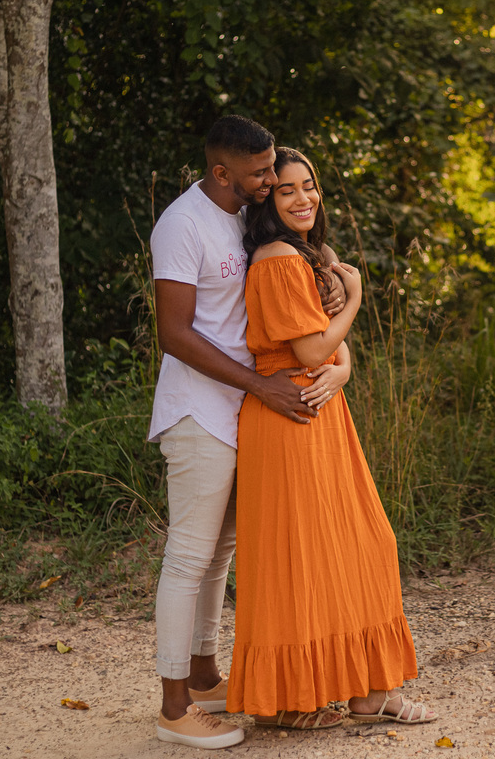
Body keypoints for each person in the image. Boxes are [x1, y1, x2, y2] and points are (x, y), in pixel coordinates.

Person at [146, 117, 348, 749]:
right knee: (187, 556)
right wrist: (261, 386)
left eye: (273, 170)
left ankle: (205, 677)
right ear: (221, 173)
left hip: (243, 409)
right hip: (199, 411)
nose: (271, 180)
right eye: (260, 172)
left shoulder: (240, 216)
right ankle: (174, 708)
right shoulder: (181, 226)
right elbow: (174, 334)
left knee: (220, 554)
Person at [226, 147, 437, 729]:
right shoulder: (276, 259)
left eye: (309, 186)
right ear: (266, 201)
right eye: (287, 190)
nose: (303, 199)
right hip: (289, 417)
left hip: (322, 409)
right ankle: (291, 700)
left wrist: (343, 367)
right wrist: (357, 308)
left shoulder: (310, 256)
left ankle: (371, 693)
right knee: (303, 558)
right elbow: (313, 348)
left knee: (362, 543)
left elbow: (327, 345)